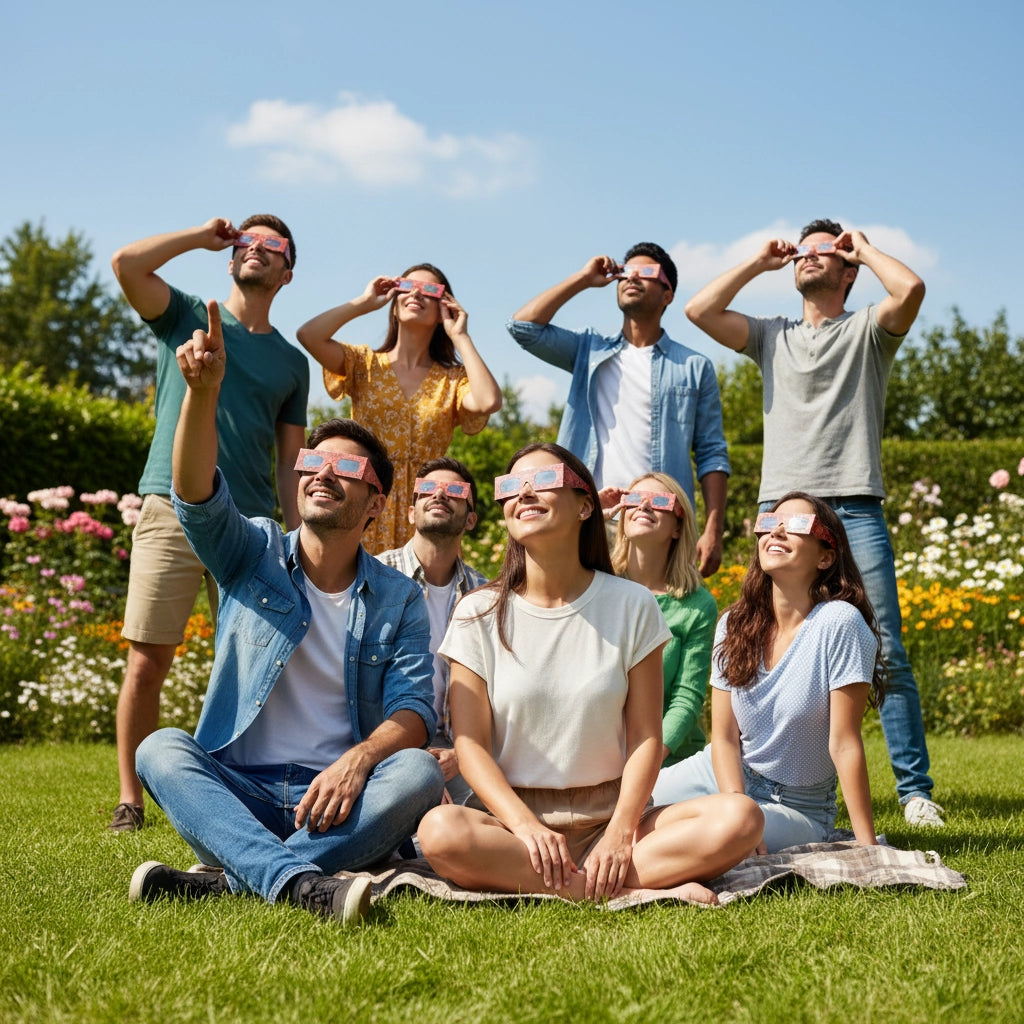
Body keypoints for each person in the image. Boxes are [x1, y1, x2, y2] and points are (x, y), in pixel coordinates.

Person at [128, 301, 444, 924]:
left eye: (348, 467)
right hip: (237, 790)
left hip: (336, 801)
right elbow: (193, 493)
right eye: (311, 462)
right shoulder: (252, 550)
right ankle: (299, 884)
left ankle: (234, 879)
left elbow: (414, 712)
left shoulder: (399, 596)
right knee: (161, 748)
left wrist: (355, 763)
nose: (323, 472)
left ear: (377, 504)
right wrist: (203, 392)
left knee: (416, 772)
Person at [417, 443, 762, 904]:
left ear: (585, 506)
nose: (524, 494)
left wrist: (620, 832)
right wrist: (526, 827)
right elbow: (470, 744)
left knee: (741, 817)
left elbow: (645, 735)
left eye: (543, 482)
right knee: (441, 831)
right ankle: (612, 889)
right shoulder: (477, 612)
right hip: (512, 823)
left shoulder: (632, 605)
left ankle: (584, 880)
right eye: (511, 488)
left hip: (615, 814)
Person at [684, 218, 943, 827]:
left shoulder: (868, 330)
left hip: (854, 504)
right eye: (804, 252)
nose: (809, 259)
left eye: (824, 253)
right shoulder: (772, 336)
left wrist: (868, 249)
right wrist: (756, 263)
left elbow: (911, 291)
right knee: (757, 637)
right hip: (781, 513)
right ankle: (759, 780)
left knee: (886, 653)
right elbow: (699, 309)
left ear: (847, 271)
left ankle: (914, 793)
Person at [108, 215, 310, 832]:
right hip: (170, 508)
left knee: (253, 663)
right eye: (246, 242)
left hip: (247, 530)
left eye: (271, 245)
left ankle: (232, 793)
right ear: (231, 258)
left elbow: (289, 464)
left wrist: (300, 537)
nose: (256, 250)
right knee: (148, 660)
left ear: (287, 272)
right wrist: (200, 235)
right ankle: (131, 800)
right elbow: (126, 265)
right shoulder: (186, 315)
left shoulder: (292, 363)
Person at [653, 493, 883, 852]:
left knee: (711, 834)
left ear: (826, 556)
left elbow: (844, 742)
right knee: (627, 802)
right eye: (769, 524)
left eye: (796, 525)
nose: (776, 532)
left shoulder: (839, 623)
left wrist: (869, 850)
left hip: (795, 806)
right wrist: (736, 804)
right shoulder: (734, 623)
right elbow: (725, 738)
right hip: (722, 775)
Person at [507, 243, 729, 576]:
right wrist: (583, 278)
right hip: (591, 515)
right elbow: (523, 327)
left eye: (647, 273)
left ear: (668, 294)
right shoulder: (589, 349)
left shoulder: (694, 366)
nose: (633, 277)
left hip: (656, 521)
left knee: (657, 621)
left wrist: (713, 529)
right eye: (626, 272)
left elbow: (712, 454)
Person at [296, 264, 502, 554]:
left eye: (430, 290)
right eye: (407, 286)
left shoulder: (453, 380)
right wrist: (363, 303)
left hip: (426, 508)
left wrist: (460, 336)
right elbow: (309, 335)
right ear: (394, 305)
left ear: (444, 308)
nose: (416, 292)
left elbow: (488, 400)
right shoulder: (364, 363)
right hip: (363, 502)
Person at [377, 456, 488, 804]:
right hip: (385, 745)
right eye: (427, 489)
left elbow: (502, 695)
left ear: (470, 518)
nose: (439, 495)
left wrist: (463, 755)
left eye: (454, 490)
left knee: (501, 817)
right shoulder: (376, 576)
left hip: (461, 752)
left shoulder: (487, 597)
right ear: (411, 512)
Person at [607, 472, 718, 775]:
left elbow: (686, 700)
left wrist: (643, 770)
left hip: (667, 762)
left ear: (678, 526)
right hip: (598, 761)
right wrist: (593, 514)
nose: (643, 506)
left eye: (659, 501)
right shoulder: (594, 584)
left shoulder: (697, 606)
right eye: (632, 500)